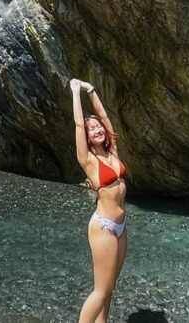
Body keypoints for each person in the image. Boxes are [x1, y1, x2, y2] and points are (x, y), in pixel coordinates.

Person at [70, 77, 128, 323]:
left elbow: (104, 117)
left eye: (98, 128)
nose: (97, 129)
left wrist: (91, 90)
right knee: (101, 290)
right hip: (103, 226)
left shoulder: (112, 150)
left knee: (110, 287)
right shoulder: (89, 161)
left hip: (121, 227)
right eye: (91, 128)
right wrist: (75, 93)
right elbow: (78, 126)